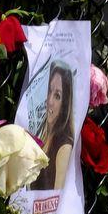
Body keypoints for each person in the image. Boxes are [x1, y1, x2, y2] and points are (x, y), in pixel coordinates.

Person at [31, 62, 76, 190]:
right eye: (49, 91)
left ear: (65, 103)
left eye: (57, 96)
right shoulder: (41, 133)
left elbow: (57, 198)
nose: (49, 101)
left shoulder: (64, 145)